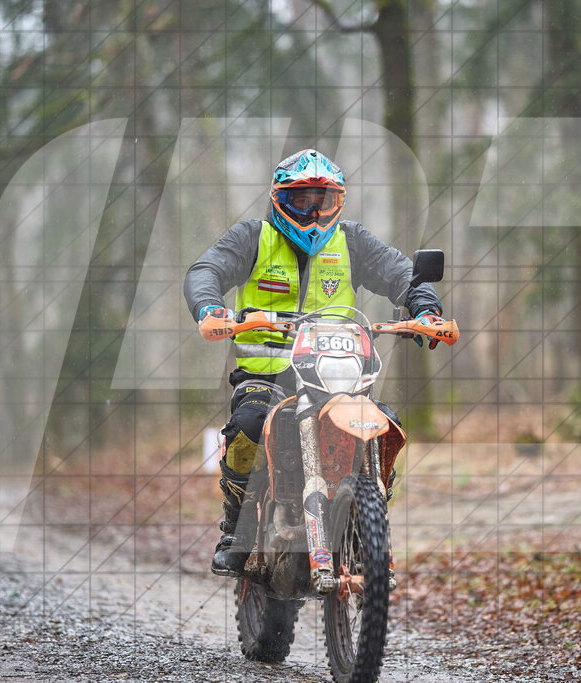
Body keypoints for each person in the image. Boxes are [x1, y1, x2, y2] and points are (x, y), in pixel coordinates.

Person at [184, 149, 443, 576]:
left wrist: (424, 309)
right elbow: (206, 269)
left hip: (338, 375)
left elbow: (401, 273)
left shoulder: (352, 241)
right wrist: (210, 307)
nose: (312, 210)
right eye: (300, 199)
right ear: (278, 199)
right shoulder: (253, 237)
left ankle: (367, 520)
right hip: (266, 373)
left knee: (386, 426)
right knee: (250, 424)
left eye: (322, 200)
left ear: (338, 202)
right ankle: (236, 527)